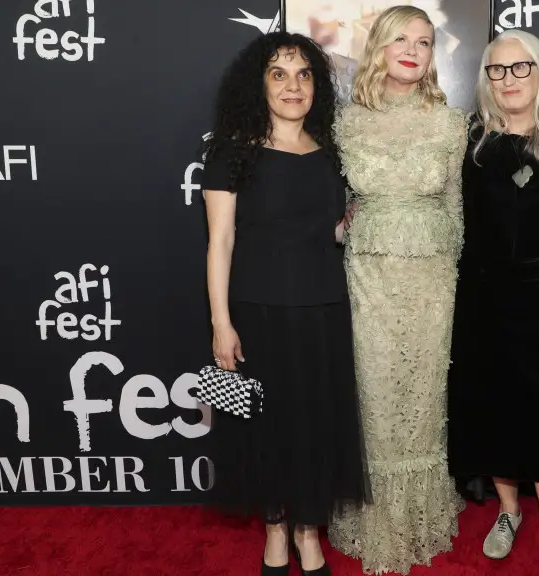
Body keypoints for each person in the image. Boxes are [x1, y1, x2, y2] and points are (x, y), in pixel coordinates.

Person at [200, 31, 371, 576]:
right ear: (260, 84)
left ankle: (308, 531)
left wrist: (352, 226)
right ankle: (276, 531)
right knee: (266, 429)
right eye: (279, 74)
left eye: (304, 74)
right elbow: (220, 242)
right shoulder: (231, 154)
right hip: (258, 312)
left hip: (323, 308)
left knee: (317, 426)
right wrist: (221, 323)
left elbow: (331, 233)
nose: (293, 86)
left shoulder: (333, 154)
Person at [326, 5, 467, 575]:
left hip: (433, 279)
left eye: (425, 41)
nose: (413, 49)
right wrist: (340, 231)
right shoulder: (346, 121)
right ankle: (375, 518)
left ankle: (419, 516)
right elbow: (334, 207)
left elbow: (456, 206)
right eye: (402, 39)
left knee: (424, 398)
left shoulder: (450, 122)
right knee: (376, 394)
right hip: (369, 277)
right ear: (380, 45)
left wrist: (453, 272)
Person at [446, 29, 539, 576]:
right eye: (497, 70)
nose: (509, 79)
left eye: (520, 67)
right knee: (497, 418)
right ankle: (508, 512)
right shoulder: (471, 144)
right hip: (483, 305)